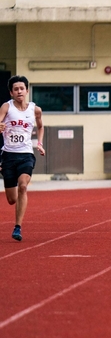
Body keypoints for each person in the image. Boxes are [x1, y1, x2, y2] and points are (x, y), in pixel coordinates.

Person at [0, 75, 46, 241]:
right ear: (11, 92)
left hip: (26, 154)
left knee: (23, 186)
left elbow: (40, 127)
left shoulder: (35, 110)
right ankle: (18, 202)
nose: (19, 91)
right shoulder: (6, 107)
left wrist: (39, 143)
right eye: (16, 89)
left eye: (22, 88)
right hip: (8, 155)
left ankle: (17, 227)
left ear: (27, 90)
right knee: (12, 199)